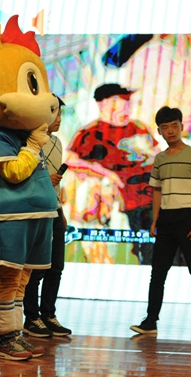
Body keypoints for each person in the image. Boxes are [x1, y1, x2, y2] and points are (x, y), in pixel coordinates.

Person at [130, 106, 191, 340]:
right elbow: (157, 190)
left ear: (182, 127)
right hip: (166, 220)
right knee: (158, 273)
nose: (170, 131)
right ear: (159, 131)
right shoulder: (160, 159)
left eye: (174, 126)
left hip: (188, 218)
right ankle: (150, 321)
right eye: (165, 127)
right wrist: (155, 219)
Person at [68, 83, 158, 264]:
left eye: (128, 101)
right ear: (104, 104)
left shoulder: (139, 127)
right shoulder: (90, 133)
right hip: (124, 201)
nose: (129, 105)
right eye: (123, 100)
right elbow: (70, 160)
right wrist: (103, 173)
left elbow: (159, 154)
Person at [23, 96, 72, 338]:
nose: (59, 119)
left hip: (55, 209)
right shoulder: (28, 141)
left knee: (56, 267)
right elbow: (19, 175)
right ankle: (31, 317)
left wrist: (61, 209)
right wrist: (44, 180)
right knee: (36, 268)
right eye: (55, 113)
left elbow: (56, 182)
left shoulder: (57, 143)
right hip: (37, 211)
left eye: (61, 113)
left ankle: (48, 315)